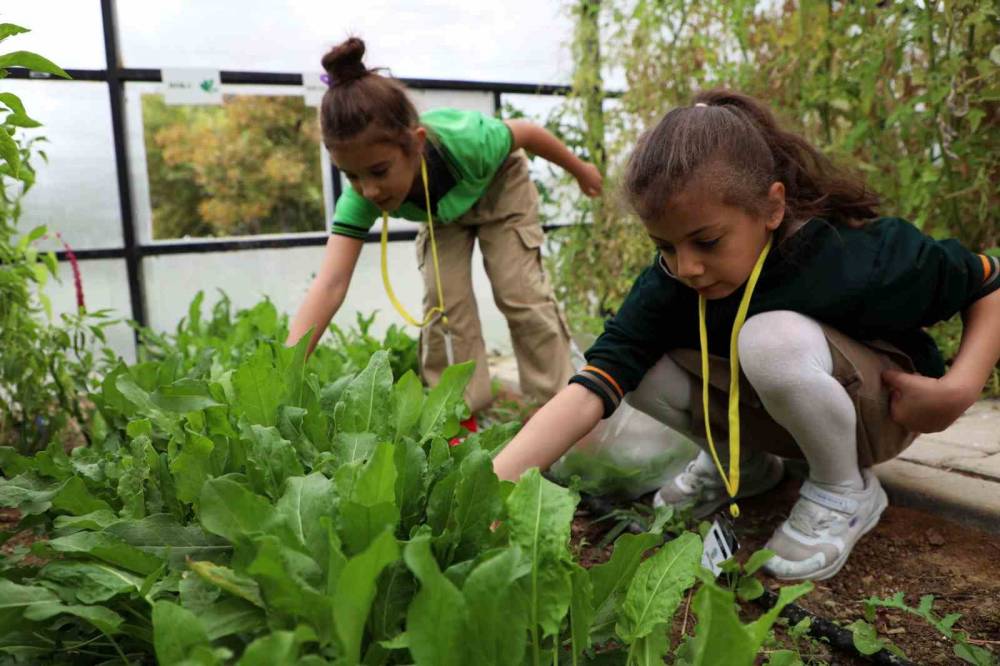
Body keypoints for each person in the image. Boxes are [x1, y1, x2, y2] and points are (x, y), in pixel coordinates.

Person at [492, 90, 1000, 581]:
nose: (686, 266)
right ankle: (741, 465)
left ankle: (844, 488)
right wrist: (494, 488)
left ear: (772, 208)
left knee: (768, 338)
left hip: (883, 411)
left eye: (706, 241)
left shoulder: (853, 256)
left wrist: (958, 390)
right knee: (634, 366)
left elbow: (989, 279)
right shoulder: (671, 280)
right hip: (774, 415)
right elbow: (594, 384)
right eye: (664, 246)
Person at [287, 37, 602, 414]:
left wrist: (581, 171)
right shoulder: (362, 195)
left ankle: (555, 408)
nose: (368, 189)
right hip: (441, 216)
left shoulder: (469, 141)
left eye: (378, 171)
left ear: (415, 144)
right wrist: (287, 369)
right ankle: (457, 413)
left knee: (518, 292)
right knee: (444, 303)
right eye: (351, 176)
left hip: (498, 189)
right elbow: (331, 282)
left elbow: (529, 133)